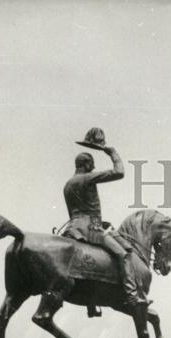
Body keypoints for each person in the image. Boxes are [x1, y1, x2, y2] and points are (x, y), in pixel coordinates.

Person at [62, 128, 143, 309]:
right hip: (91, 228)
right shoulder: (88, 178)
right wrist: (111, 152)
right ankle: (131, 296)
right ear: (87, 164)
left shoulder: (68, 184)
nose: (94, 167)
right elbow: (119, 172)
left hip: (73, 227)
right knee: (124, 255)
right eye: (92, 164)